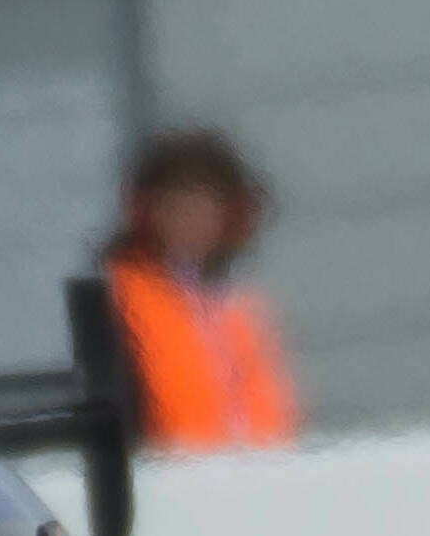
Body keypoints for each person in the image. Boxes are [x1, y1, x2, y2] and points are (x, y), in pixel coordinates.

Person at [100, 127, 303, 452]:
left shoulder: (236, 306)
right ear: (148, 212)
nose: (194, 219)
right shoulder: (123, 298)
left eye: (207, 205)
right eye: (179, 205)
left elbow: (273, 413)